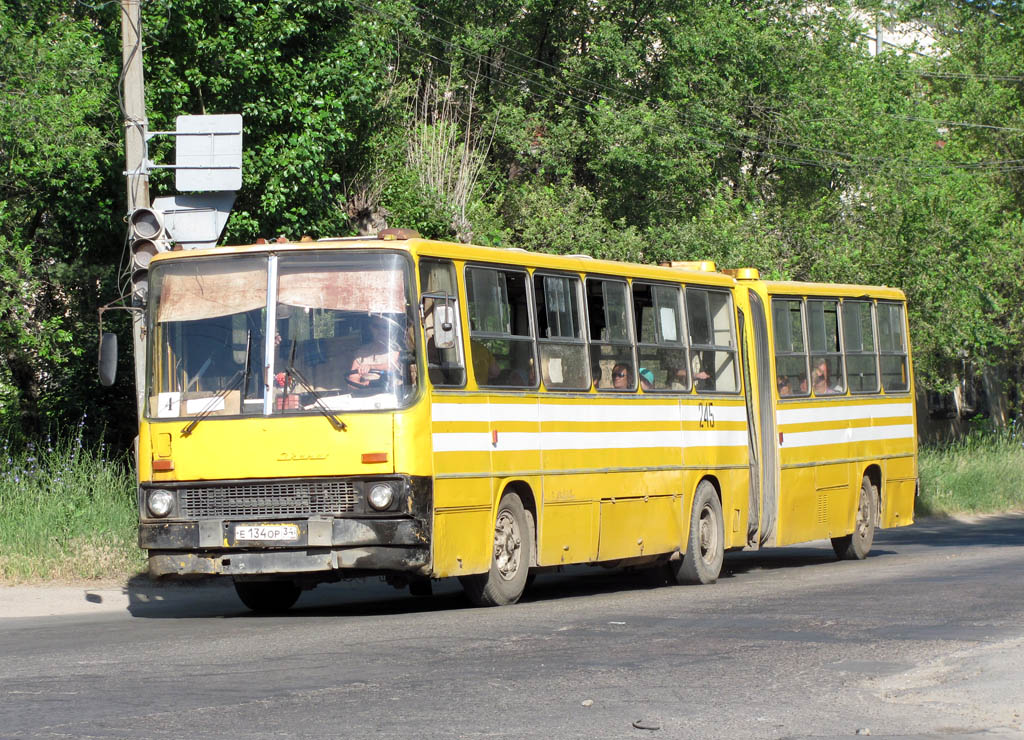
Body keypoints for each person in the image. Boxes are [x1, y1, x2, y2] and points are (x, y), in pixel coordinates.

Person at [348, 317, 400, 388]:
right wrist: (362, 386)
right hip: (365, 394)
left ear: (391, 329)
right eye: (376, 326)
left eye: (385, 327)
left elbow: (392, 366)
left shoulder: (397, 350)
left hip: (392, 394)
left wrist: (371, 367)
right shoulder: (361, 353)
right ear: (370, 328)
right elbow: (352, 379)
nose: (381, 330)